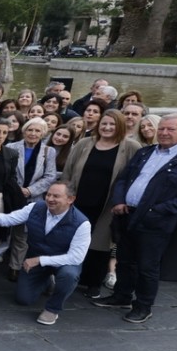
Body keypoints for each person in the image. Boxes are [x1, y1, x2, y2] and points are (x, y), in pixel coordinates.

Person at [99, 114, 177, 323]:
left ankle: (143, 306)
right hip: (126, 214)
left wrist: (160, 210)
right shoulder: (145, 152)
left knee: (147, 266)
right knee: (124, 260)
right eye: (162, 129)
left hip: (156, 221)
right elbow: (124, 178)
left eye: (170, 129)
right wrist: (119, 200)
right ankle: (122, 295)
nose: (164, 133)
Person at [0, 181, 91, 325]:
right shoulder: (35, 207)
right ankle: (47, 281)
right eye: (48, 194)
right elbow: (11, 218)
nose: (50, 199)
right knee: (23, 299)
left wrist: (40, 260)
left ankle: (53, 308)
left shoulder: (82, 223)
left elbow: (76, 257)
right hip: (36, 259)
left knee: (69, 275)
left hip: (64, 262)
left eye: (56, 196)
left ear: (71, 199)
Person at [62, 110, 140, 290]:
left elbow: (134, 177)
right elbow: (68, 171)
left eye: (112, 124)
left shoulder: (131, 147)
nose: (107, 127)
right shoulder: (84, 144)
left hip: (108, 204)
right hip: (78, 200)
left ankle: (92, 283)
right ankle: (69, 277)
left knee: (100, 244)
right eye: (104, 123)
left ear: (120, 126)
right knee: (73, 239)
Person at [4, 117, 59, 279]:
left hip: (32, 198)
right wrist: (16, 189)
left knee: (22, 234)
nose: (33, 133)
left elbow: (50, 176)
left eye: (37, 131)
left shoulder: (49, 152)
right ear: (24, 131)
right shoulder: (11, 147)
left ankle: (15, 266)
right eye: (30, 129)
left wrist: (30, 190)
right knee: (2, 229)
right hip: (11, 195)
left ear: (43, 133)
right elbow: (6, 172)